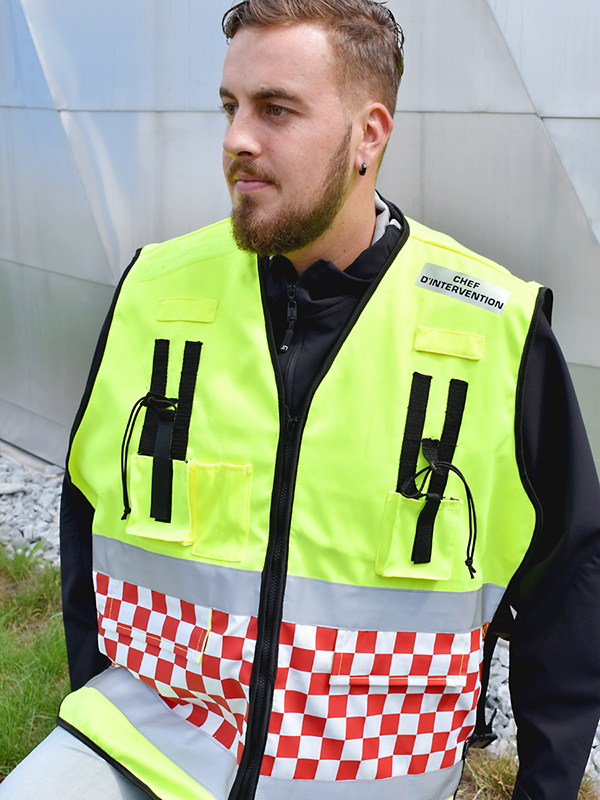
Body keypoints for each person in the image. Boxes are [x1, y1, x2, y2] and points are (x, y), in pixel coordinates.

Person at [3, 1, 600, 799]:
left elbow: (570, 576)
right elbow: (86, 512)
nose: (236, 139)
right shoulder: (155, 291)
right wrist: (94, 693)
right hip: (145, 754)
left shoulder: (494, 328)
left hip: (367, 780)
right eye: (230, 106)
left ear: (368, 135)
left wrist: (547, 786)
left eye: (275, 109)